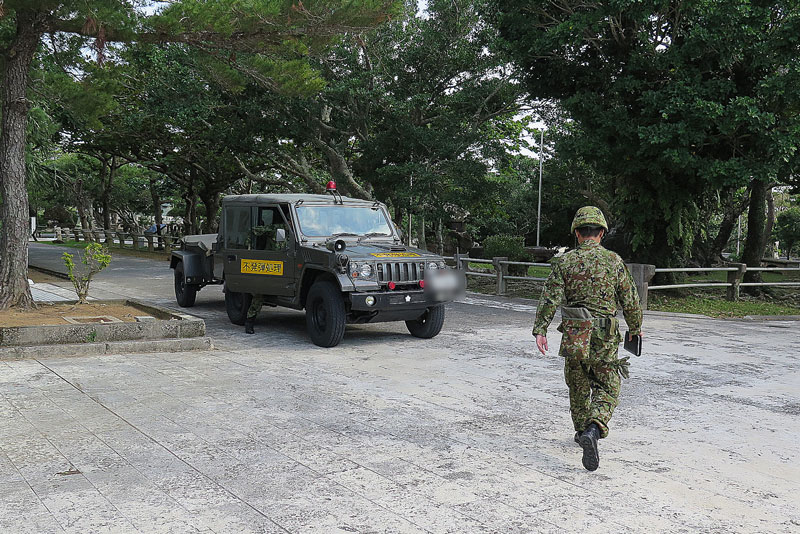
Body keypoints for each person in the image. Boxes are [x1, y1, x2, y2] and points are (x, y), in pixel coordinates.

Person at [531, 206, 643, 471]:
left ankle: (582, 432)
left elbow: (550, 297)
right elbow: (631, 300)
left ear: (577, 234)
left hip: (574, 333)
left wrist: (541, 329)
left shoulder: (564, 262)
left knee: (578, 385)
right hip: (605, 335)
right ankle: (595, 428)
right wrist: (636, 328)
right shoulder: (614, 261)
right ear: (601, 233)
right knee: (607, 385)